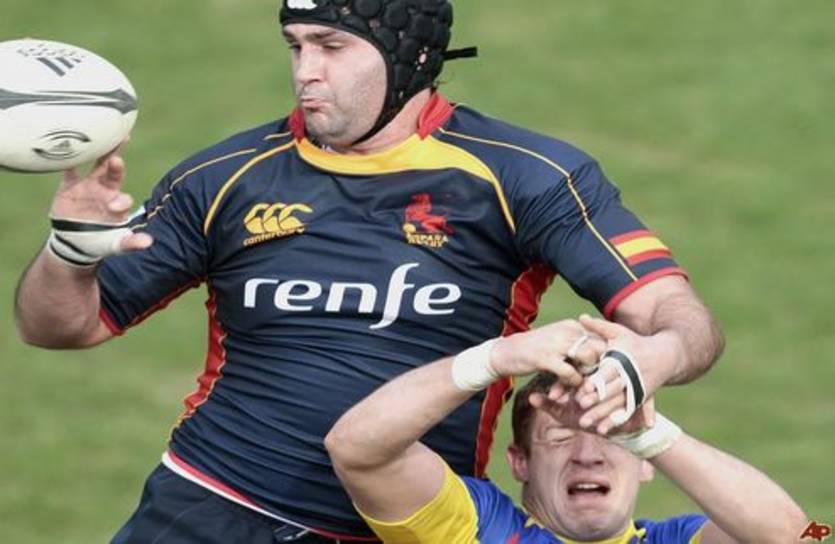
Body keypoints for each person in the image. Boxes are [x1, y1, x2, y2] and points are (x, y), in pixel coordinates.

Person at [14, 0, 723, 541]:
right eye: (295, 46)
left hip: (399, 523)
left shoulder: (527, 177)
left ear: (409, 53)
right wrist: (70, 252)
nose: (305, 71)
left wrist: (653, 359)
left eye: (331, 46)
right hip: (205, 508)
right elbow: (62, 327)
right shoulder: (224, 177)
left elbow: (679, 318)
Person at [326, 316, 808, 543]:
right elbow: (355, 447)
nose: (587, 455)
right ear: (520, 462)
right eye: (559, 439)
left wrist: (650, 434)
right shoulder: (478, 529)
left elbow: (801, 536)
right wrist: (493, 358)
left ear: (645, 464)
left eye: (613, 437)